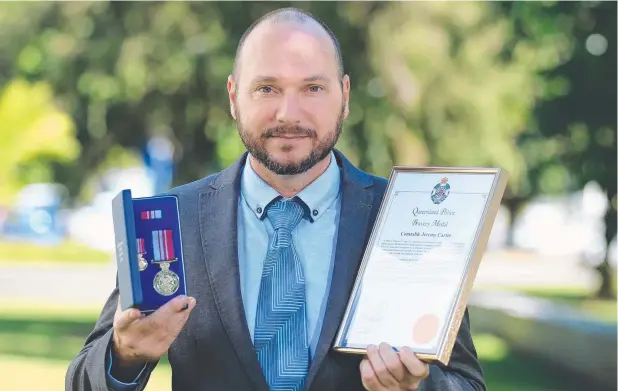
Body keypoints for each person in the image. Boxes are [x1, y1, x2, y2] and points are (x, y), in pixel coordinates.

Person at [65, 7, 486, 391]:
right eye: (266, 88)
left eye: (312, 88)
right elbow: (82, 383)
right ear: (233, 97)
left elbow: (467, 383)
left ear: (345, 96)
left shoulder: (404, 218)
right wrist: (124, 356)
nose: (288, 114)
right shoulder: (172, 220)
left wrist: (420, 386)